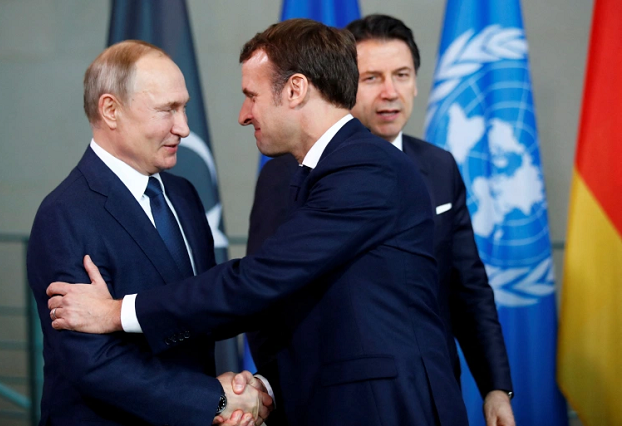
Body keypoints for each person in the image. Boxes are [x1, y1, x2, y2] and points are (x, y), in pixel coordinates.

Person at [46, 20, 468, 426]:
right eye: (167, 109)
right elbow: (272, 296)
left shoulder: (365, 170)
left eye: (252, 94)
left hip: (384, 407)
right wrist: (238, 392)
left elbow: (257, 281)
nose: (244, 114)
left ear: (296, 89)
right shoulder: (64, 213)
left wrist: (117, 312)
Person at [247, 14, 515, 426]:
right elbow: (264, 293)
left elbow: (468, 287)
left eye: (402, 74)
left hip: (431, 393)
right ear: (342, 83)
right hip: (335, 401)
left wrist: (495, 387)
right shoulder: (286, 173)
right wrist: (283, 390)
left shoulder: (439, 166)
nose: (390, 91)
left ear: (417, 82)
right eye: (372, 77)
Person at [27, 40, 270, 426]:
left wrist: (237, 391)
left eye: (184, 106)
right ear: (111, 110)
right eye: (167, 110)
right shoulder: (64, 214)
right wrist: (214, 400)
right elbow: (93, 363)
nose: (184, 128)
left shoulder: (184, 195)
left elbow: (201, 308)